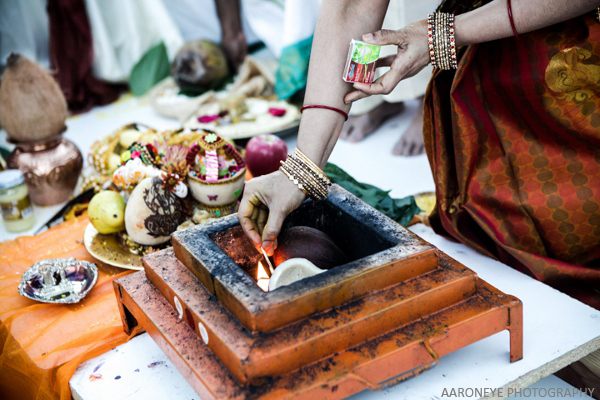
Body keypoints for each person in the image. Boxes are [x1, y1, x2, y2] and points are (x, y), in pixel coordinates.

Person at [239, 0, 600, 314]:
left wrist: (446, 33)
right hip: (477, 87)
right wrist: (301, 168)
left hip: (571, 81)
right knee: (496, 241)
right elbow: (351, 6)